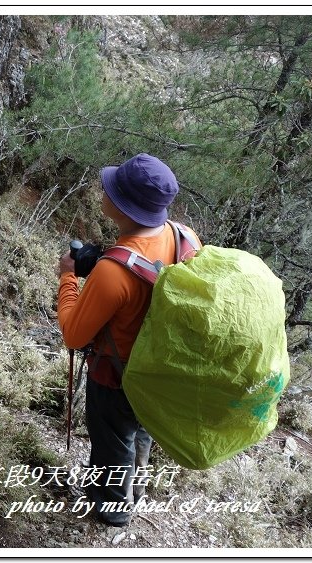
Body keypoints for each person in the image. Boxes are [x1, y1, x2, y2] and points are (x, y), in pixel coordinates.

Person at [56, 153, 201, 527]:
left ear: (124, 205)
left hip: (115, 377)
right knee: (138, 433)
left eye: (112, 187)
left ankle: (113, 509)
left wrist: (68, 278)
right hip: (159, 373)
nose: (104, 189)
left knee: (113, 438)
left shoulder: (111, 273)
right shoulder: (185, 238)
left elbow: (74, 334)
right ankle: (131, 485)